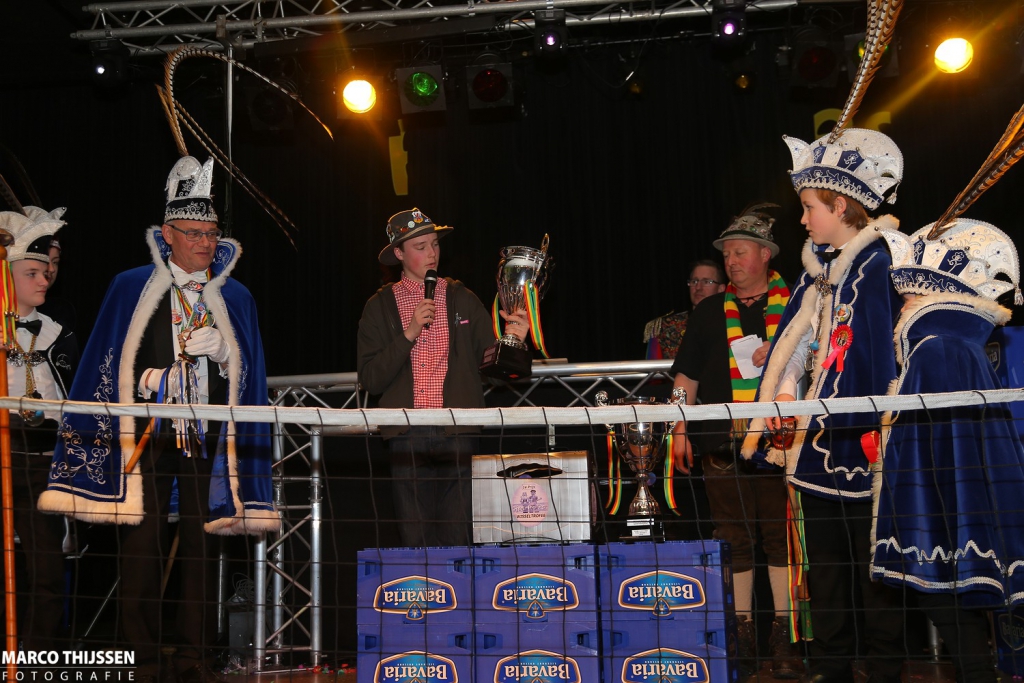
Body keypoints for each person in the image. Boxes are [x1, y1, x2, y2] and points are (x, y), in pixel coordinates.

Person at [39, 156, 279, 683]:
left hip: (207, 436)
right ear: (167, 234)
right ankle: (142, 660)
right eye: (193, 233)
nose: (205, 243)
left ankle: (194, 657)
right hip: (145, 435)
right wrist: (150, 378)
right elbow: (105, 361)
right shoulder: (131, 286)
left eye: (211, 234)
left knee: (202, 548)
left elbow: (251, 374)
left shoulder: (235, 295)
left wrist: (225, 355)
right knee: (141, 549)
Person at [741, 129, 907, 683]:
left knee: (874, 571)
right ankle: (832, 668)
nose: (803, 219)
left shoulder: (878, 265)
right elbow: (800, 343)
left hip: (867, 444)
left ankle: (884, 670)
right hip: (816, 446)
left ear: (840, 206)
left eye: (810, 207)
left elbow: (875, 357)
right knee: (828, 572)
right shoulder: (821, 271)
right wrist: (786, 395)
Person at [874, 217, 1024, 682]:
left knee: (938, 590)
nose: (900, 312)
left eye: (907, 301)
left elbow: (936, 440)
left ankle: (978, 673)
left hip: (937, 495)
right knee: (941, 594)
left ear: (928, 300)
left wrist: (917, 494)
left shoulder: (937, 348)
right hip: (951, 491)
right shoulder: (951, 345)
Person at [669, 206, 800, 678]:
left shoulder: (797, 303)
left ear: (765, 254)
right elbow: (685, 377)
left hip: (781, 442)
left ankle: (785, 639)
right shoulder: (708, 311)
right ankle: (741, 634)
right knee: (732, 539)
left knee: (780, 541)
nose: (731, 262)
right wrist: (679, 428)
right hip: (721, 445)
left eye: (740, 253)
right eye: (726, 255)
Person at [356, 208, 529, 548]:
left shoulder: (462, 297)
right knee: (415, 541)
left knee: (458, 539)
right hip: (406, 432)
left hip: (458, 429)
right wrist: (409, 332)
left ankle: (457, 583)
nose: (432, 253)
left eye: (434, 244)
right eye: (420, 246)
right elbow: (372, 379)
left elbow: (494, 371)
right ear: (398, 254)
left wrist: (513, 342)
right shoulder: (378, 307)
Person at [0, 206, 78, 653]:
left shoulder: (57, 332)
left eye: (47, 270)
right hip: (3, 454)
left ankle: (36, 655)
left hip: (44, 462)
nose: (45, 278)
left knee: (47, 569)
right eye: (32, 272)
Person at [643, 260, 726, 359]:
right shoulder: (665, 326)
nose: (698, 287)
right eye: (694, 281)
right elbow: (654, 366)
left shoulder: (731, 322)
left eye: (706, 282)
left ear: (721, 289)